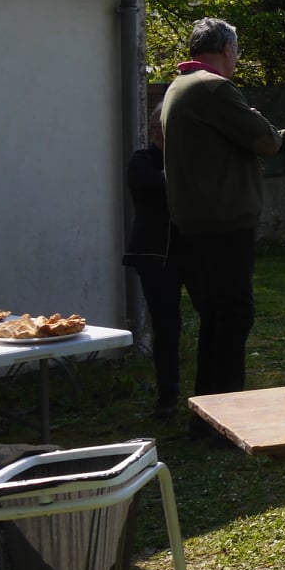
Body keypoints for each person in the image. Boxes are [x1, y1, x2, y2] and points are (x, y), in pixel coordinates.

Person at [160, 18, 285, 437]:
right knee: (232, 318)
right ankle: (224, 423)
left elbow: (249, 135)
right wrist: (272, 128)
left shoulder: (180, 86)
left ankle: (204, 419)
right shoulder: (213, 87)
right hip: (223, 224)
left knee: (216, 320)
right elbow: (261, 140)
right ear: (228, 48)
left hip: (196, 224)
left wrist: (276, 132)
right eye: (237, 49)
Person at [123, 109, 184, 420]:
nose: (163, 133)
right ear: (152, 132)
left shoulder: (186, 161)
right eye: (159, 128)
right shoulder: (141, 161)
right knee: (167, 325)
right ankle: (167, 395)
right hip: (155, 256)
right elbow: (161, 187)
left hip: (191, 251)